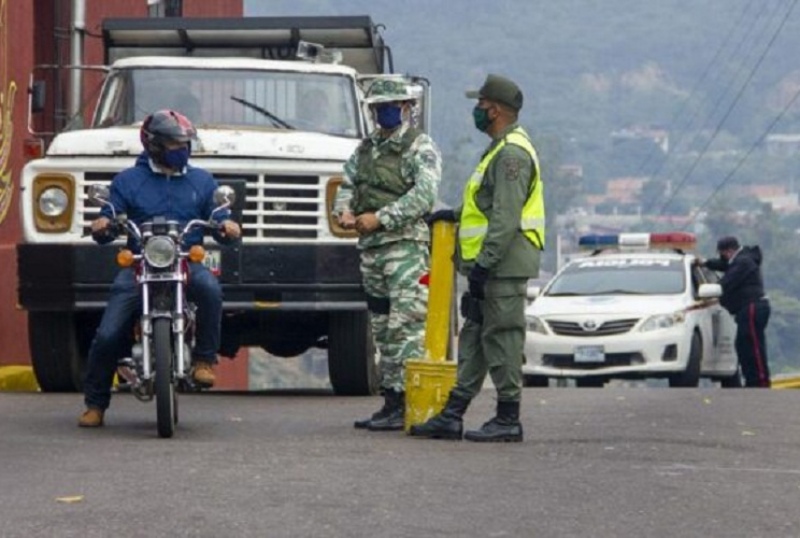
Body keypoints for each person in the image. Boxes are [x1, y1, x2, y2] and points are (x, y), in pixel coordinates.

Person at [78, 109, 242, 428]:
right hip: (140, 265)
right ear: (153, 144)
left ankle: (205, 360)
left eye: (185, 143)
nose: (182, 149)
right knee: (108, 332)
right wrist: (103, 223)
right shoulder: (128, 181)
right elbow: (111, 213)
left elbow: (218, 214)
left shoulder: (202, 181)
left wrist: (227, 225)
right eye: (174, 144)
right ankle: (95, 403)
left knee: (210, 290)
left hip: (184, 262)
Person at [409, 74, 544, 443]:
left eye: (481, 106)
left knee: (502, 338)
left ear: (496, 110)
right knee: (474, 338)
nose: (477, 112)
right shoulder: (499, 150)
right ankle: (453, 414)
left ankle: (508, 418)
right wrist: (452, 215)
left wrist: (484, 264)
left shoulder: (512, 154)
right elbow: (483, 206)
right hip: (489, 266)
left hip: (502, 266)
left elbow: (505, 217)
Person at [333, 78, 442, 431]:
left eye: (392, 106)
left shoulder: (419, 148)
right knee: (381, 328)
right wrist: (344, 213)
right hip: (372, 251)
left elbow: (423, 197)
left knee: (405, 326)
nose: (385, 113)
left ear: (408, 108)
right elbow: (347, 183)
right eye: (379, 108)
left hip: (405, 247)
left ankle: (410, 402)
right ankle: (391, 401)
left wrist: (380, 218)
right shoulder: (366, 149)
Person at [696, 236, 771, 388]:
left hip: (751, 307)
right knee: (743, 345)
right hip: (749, 308)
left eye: (722, 254)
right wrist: (705, 262)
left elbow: (727, 282)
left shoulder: (743, 262)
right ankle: (752, 380)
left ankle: (760, 382)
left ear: (729, 251)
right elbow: (724, 265)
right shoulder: (741, 260)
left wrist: (713, 289)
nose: (722, 257)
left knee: (753, 345)